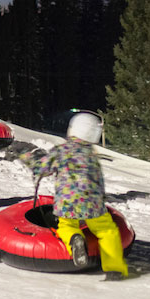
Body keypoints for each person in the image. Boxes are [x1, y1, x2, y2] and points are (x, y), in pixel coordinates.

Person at [18, 111, 129, 280]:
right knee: (107, 230)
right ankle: (114, 268)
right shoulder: (92, 155)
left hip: (67, 202)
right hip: (93, 203)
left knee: (66, 226)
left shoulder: (62, 151)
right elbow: (98, 181)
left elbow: (41, 168)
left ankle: (75, 239)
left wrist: (25, 155)